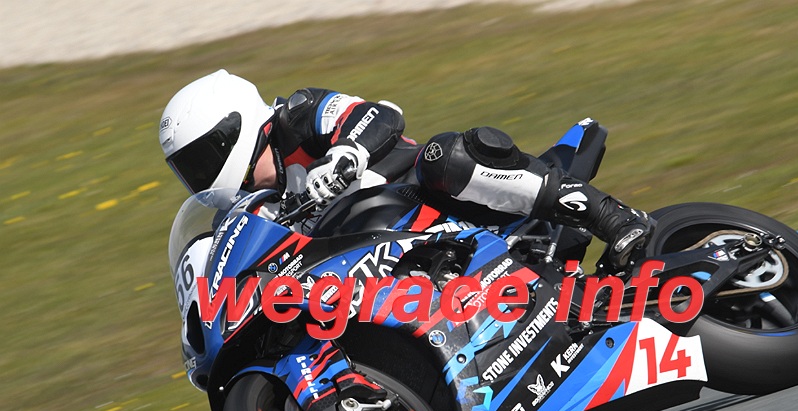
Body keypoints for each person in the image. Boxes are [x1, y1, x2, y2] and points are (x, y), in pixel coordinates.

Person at [159, 69, 653, 269]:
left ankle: (612, 217)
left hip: (437, 202)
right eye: (189, 169)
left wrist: (346, 154)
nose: (201, 177)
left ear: (233, 129)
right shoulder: (250, 214)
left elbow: (378, 115)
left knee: (443, 156)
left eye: (202, 160)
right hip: (394, 267)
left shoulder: (299, 116)